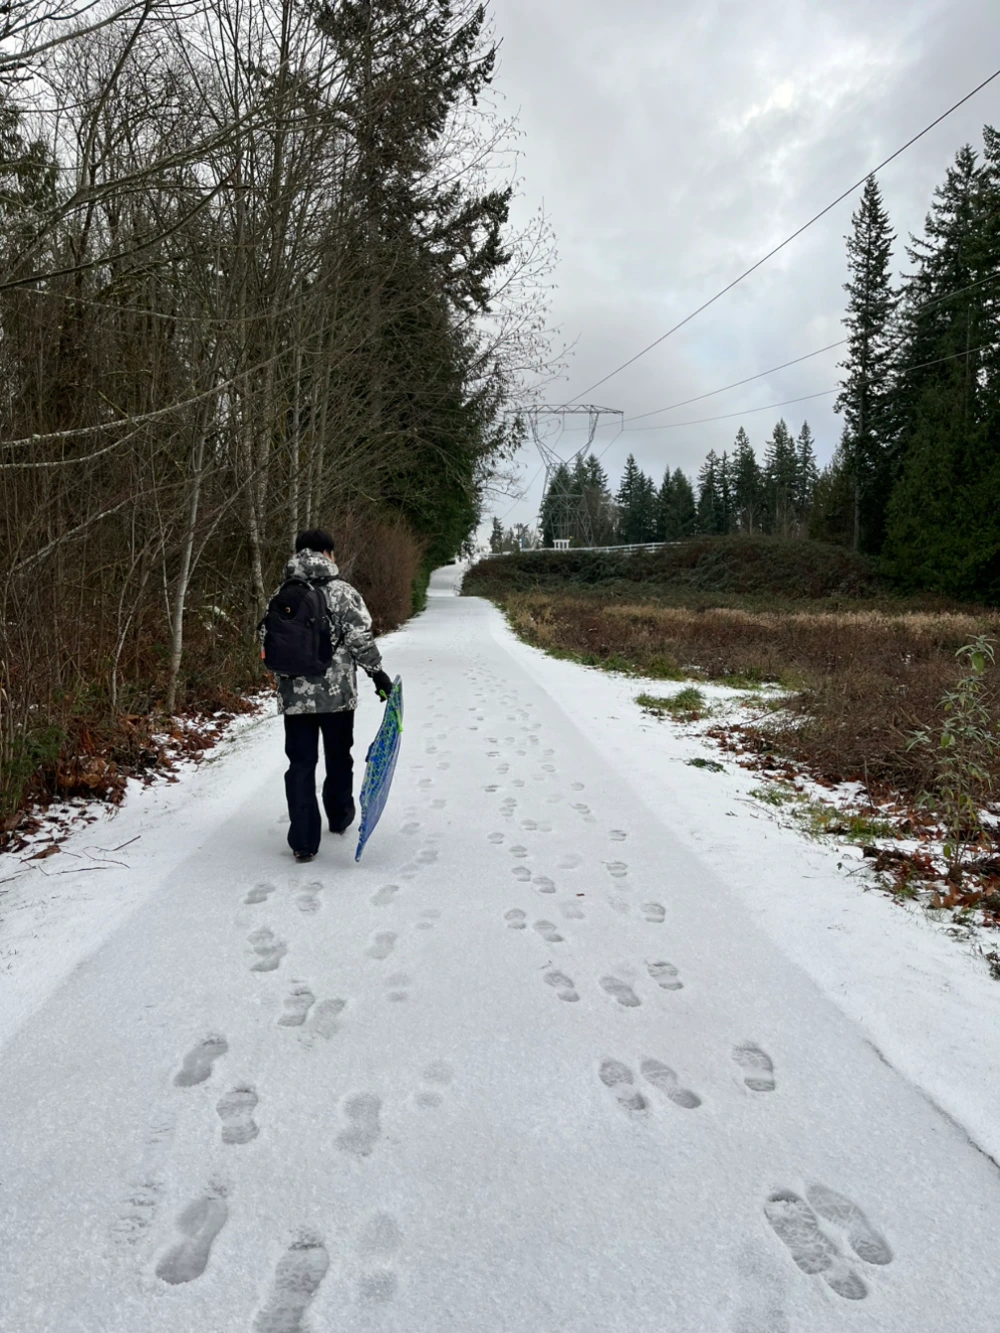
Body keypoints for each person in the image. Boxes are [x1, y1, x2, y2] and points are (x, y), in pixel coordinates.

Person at [265, 528, 393, 863]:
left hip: (295, 696)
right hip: (337, 697)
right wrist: (377, 674)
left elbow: (269, 639)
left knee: (300, 764)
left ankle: (303, 841)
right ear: (327, 553)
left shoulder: (281, 592)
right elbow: (359, 638)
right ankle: (339, 816)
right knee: (339, 757)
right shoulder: (342, 592)